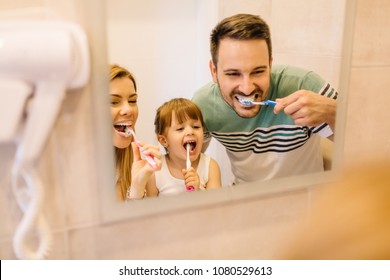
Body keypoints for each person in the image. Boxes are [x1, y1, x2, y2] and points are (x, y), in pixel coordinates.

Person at [192, 13, 338, 185]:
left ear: (270, 64)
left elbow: (365, 144)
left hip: (308, 199)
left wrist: (334, 112)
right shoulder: (204, 106)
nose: (246, 88)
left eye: (258, 71)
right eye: (233, 74)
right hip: (246, 199)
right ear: (214, 71)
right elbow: (189, 160)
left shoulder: (303, 84)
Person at [146, 98, 221, 196]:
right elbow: (150, 209)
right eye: (180, 128)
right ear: (164, 140)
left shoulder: (210, 167)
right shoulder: (155, 171)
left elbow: (216, 207)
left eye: (196, 127)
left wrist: (198, 191)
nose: (190, 132)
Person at [109, 64, 161, 201]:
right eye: (113, 102)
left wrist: (137, 188)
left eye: (132, 101)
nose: (128, 110)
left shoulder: (134, 165)